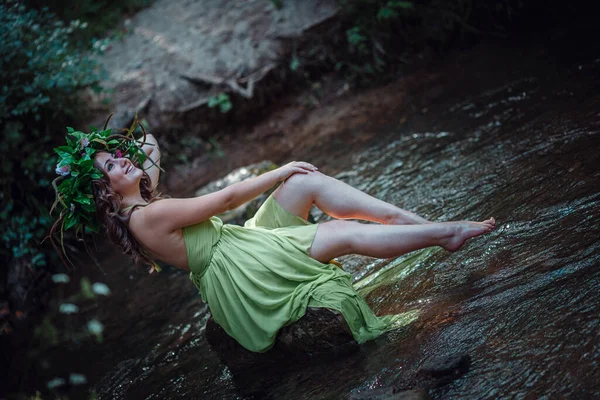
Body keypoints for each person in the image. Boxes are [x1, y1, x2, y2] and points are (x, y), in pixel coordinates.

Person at [51, 121, 495, 353]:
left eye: (118, 160)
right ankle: (444, 236)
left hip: (237, 244)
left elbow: (147, 144)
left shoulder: (136, 202)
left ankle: (411, 221)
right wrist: (278, 170)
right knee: (338, 230)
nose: (125, 164)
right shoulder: (149, 215)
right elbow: (224, 201)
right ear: (104, 192)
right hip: (238, 270)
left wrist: (104, 154)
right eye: (113, 168)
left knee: (306, 185)